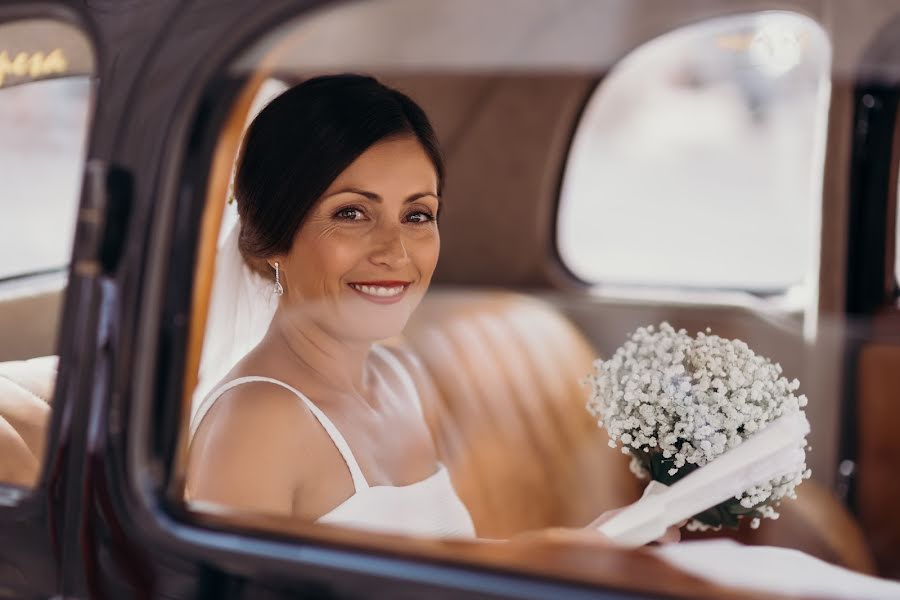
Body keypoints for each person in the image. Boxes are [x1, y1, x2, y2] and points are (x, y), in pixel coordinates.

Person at [185, 74, 677, 544]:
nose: (396, 252)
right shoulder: (255, 425)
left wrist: (591, 543)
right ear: (276, 237)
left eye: (417, 215)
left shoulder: (398, 378)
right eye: (352, 213)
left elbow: (435, 559)